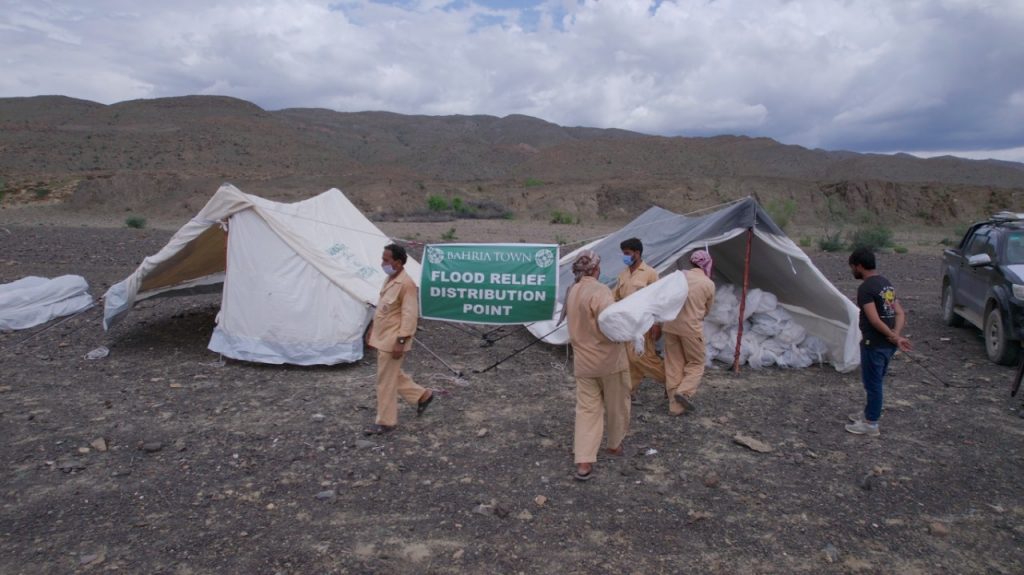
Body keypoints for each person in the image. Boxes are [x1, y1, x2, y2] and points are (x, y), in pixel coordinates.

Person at [565, 250, 631, 481]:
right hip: (609, 361)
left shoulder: (572, 290)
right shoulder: (600, 291)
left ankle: (584, 461)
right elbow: (611, 325)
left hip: (583, 362)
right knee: (616, 406)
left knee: (587, 411)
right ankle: (613, 445)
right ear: (595, 269)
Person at [364, 243, 434, 435]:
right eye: (383, 259)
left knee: (385, 381)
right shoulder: (389, 279)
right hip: (383, 336)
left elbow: (410, 317)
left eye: (386, 260)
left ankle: (386, 422)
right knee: (392, 375)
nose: (383, 263)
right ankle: (423, 396)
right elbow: (382, 309)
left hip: (393, 340)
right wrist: (371, 329)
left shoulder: (406, 284)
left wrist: (401, 342)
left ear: (398, 262)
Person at [845, 247, 911, 436]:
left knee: (873, 384)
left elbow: (873, 319)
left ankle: (871, 423)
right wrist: (895, 335)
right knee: (876, 381)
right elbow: (899, 312)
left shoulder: (866, 288)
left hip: (874, 344)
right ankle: (868, 413)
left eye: (852, 267)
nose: (852, 272)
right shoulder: (885, 284)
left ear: (859, 266)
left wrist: (895, 337)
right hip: (887, 345)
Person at [662, 250, 716, 416]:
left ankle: (675, 407)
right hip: (691, 328)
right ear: (707, 265)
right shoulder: (707, 284)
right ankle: (684, 392)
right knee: (696, 362)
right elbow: (707, 310)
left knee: (673, 364)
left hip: (669, 325)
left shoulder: (678, 277)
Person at [613, 237, 667, 402]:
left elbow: (657, 300)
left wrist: (657, 324)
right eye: (623, 254)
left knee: (643, 357)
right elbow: (615, 297)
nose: (625, 257)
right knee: (630, 359)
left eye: (628, 253)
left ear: (637, 253)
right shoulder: (623, 274)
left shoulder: (650, 273)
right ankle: (629, 392)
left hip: (644, 324)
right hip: (627, 324)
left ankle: (672, 381)